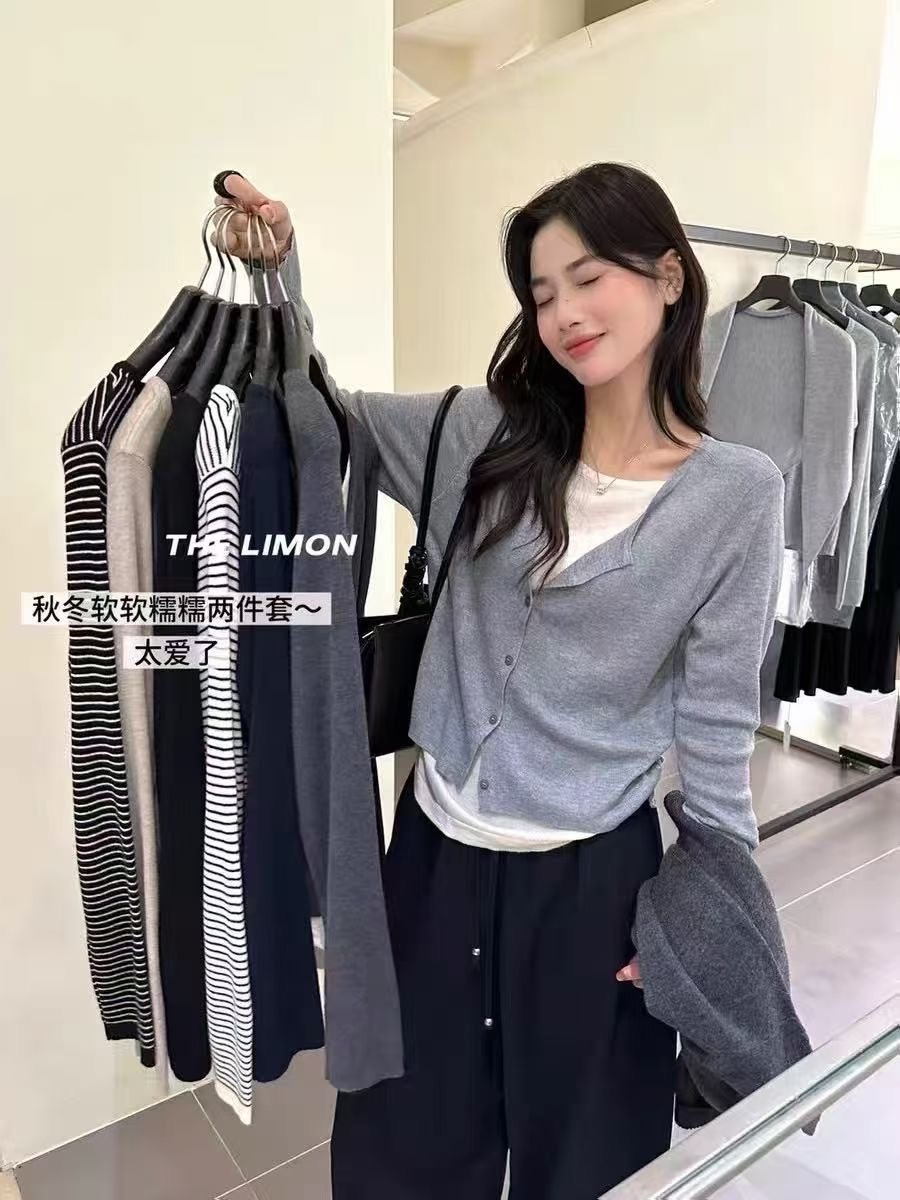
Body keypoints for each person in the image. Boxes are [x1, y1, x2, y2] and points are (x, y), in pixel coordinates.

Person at [214, 165, 784, 1198]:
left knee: (588, 1162)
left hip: (592, 884)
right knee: (405, 1150)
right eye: (541, 291)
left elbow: (714, 724)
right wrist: (280, 279)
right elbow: (321, 416)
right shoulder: (481, 432)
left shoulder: (737, 494)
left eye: (589, 277)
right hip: (433, 859)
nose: (564, 313)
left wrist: (706, 920)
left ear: (667, 277)